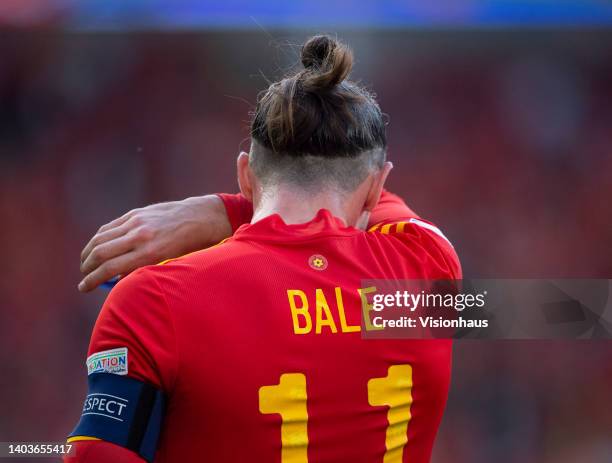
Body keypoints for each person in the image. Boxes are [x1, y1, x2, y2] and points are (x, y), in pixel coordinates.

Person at [66, 35, 461, 463]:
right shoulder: (427, 273)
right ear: (377, 186)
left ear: (245, 176)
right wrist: (222, 212)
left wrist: (227, 210)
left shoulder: (154, 301)